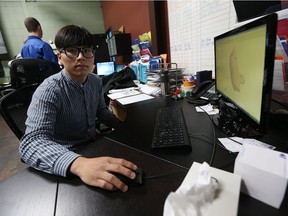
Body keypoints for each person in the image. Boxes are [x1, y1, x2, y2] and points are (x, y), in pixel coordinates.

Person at [19, 25, 138, 192]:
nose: (81, 57)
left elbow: (101, 112)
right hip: (67, 157)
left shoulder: (96, 81)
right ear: (59, 57)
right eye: (72, 51)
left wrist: (123, 127)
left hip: (93, 146)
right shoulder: (49, 91)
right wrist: (79, 164)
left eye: (87, 50)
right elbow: (30, 144)